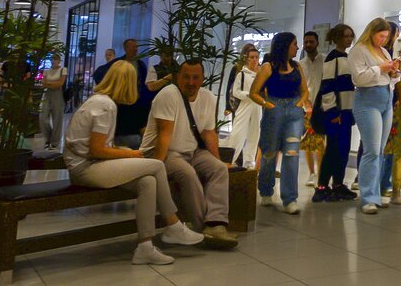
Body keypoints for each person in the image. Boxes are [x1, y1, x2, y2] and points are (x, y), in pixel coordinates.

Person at [64, 61, 204, 265]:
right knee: (156, 165)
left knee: (147, 182)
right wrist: (131, 155)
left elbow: (97, 147)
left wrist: (125, 153)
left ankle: (145, 247)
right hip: (85, 169)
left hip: (87, 165)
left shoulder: (100, 101)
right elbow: (96, 150)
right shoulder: (105, 105)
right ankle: (172, 224)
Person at [140, 61, 238, 248]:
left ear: (202, 80)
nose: (191, 82)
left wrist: (218, 160)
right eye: (186, 77)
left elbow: (208, 133)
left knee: (218, 169)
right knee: (188, 174)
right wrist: (155, 167)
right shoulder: (169, 95)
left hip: (192, 151)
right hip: (165, 152)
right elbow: (164, 135)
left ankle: (216, 224)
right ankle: (203, 228)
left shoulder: (208, 97)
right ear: (178, 77)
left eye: (195, 77)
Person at [250, 32, 311, 214]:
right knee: (269, 152)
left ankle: (290, 198)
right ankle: (266, 190)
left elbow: (305, 90)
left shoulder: (297, 66)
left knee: (292, 153)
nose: (297, 48)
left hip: (294, 111)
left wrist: (300, 103)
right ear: (284, 45)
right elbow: (254, 92)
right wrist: (266, 103)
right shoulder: (268, 67)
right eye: (294, 44)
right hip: (274, 109)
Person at [349, 17, 399, 214]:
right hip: (368, 100)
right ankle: (368, 196)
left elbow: (387, 77)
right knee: (371, 149)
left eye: (386, 37)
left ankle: (375, 193)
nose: (384, 40)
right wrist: (381, 69)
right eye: (381, 36)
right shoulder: (359, 50)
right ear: (372, 33)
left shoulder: (384, 51)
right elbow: (359, 78)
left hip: (386, 98)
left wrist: (393, 73)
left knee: (380, 150)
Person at [313, 23, 357, 202]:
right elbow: (327, 85)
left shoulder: (346, 57)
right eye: (345, 36)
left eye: (350, 36)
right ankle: (322, 186)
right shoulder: (333, 58)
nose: (348, 39)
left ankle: (338, 184)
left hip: (346, 110)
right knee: (333, 149)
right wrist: (332, 111)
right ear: (337, 37)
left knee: (343, 149)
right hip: (336, 112)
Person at [94, 39, 150, 149]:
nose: (135, 49)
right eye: (132, 47)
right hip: (121, 101)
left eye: (136, 47)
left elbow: (144, 83)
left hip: (136, 101)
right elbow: (98, 73)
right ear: (125, 48)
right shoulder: (117, 63)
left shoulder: (141, 64)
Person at [380, 23, 401, 205]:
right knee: (384, 146)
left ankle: (389, 185)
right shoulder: (385, 53)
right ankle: (382, 184)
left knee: (396, 147)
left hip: (397, 105)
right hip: (387, 103)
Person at [226, 47, 262, 168]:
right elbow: (235, 92)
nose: (254, 60)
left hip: (257, 106)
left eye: (256, 57)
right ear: (247, 58)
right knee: (238, 132)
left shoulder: (261, 74)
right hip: (244, 105)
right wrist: (249, 95)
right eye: (252, 57)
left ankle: (249, 162)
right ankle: (231, 160)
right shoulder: (241, 74)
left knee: (255, 133)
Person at [300, 31, 326, 187]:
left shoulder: (325, 61)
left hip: (322, 107)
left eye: (311, 41)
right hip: (305, 107)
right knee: (307, 142)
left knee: (320, 142)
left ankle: (321, 173)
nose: (308, 44)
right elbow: (299, 87)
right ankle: (311, 173)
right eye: (306, 42)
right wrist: (305, 104)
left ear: (317, 43)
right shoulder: (300, 64)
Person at [39, 54, 67, 150]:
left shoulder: (63, 70)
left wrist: (49, 84)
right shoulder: (47, 71)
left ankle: (55, 141)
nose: (53, 61)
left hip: (57, 94)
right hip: (47, 94)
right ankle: (48, 138)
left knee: (57, 118)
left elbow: (60, 84)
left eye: (55, 59)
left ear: (59, 61)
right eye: (52, 59)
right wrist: (52, 84)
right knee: (42, 117)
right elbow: (43, 83)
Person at [224, 44, 257, 118]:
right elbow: (230, 88)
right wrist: (228, 107)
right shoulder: (236, 68)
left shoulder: (259, 69)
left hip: (254, 104)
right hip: (238, 104)